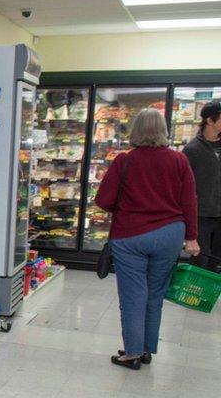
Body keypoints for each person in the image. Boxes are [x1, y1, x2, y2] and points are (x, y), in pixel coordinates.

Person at [95, 108, 199, 370]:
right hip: (170, 234)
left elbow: (103, 200)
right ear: (164, 130)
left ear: (136, 131)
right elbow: (189, 201)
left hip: (131, 235)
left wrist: (126, 205)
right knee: (155, 294)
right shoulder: (179, 160)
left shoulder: (125, 161)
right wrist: (192, 237)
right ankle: (145, 349)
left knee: (133, 295)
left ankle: (131, 353)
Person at [182, 100, 221, 269]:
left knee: (217, 263)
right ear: (210, 120)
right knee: (200, 262)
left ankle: (210, 296)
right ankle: (196, 295)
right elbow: (184, 186)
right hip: (200, 216)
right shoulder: (192, 150)